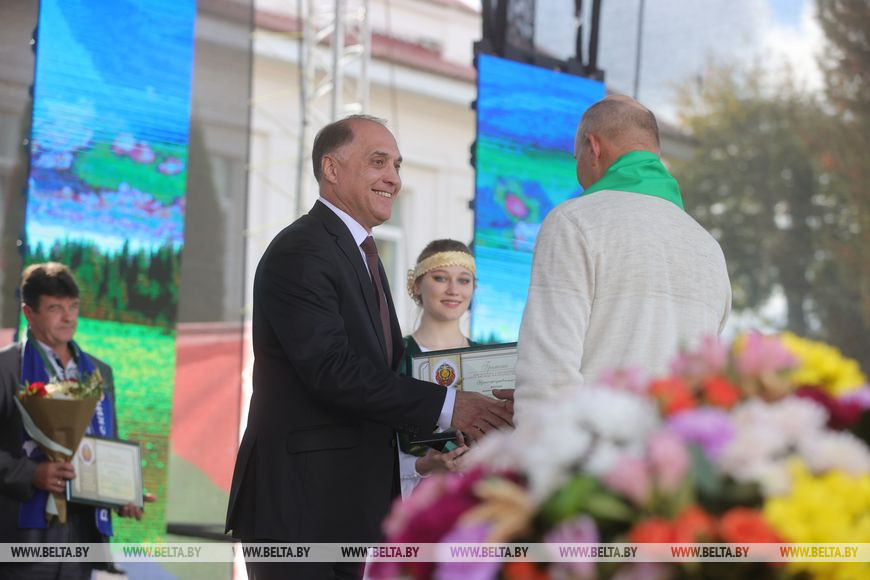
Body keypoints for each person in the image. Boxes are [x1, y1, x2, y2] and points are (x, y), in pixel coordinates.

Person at [225, 115, 513, 579]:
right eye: (378, 162)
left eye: (397, 165)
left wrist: (432, 448)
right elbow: (332, 370)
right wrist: (451, 406)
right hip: (303, 507)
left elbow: (376, 380)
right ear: (331, 169)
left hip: (347, 507)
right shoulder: (303, 249)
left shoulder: (359, 253)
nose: (393, 179)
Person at [514, 95, 732, 422]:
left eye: (576, 157)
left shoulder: (573, 221)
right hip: (677, 449)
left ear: (593, 147)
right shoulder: (709, 247)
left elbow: (548, 375)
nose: (578, 169)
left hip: (592, 448)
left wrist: (533, 441)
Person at [0, 262, 149, 580]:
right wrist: (31, 473)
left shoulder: (99, 372)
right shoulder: (6, 368)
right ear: (28, 313)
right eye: (55, 308)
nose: (68, 317)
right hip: (21, 543)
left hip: (81, 543)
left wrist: (125, 492)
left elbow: (106, 445)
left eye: (73, 307)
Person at [398, 239, 477, 498]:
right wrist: (423, 465)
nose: (453, 290)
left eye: (463, 280)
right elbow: (372, 447)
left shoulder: (490, 360)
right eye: (441, 278)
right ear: (416, 284)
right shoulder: (394, 355)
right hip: (411, 502)